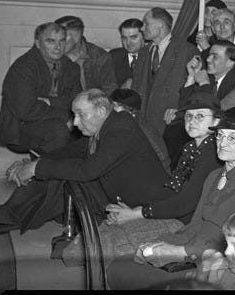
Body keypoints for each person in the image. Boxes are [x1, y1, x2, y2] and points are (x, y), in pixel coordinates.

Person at [105, 107, 235, 289]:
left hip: (214, 262)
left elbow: (231, 242)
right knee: (120, 265)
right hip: (192, 249)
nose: (222, 143)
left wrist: (180, 251)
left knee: (131, 271)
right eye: (219, 135)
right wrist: (164, 241)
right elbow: (195, 224)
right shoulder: (214, 176)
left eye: (232, 138)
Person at [0, 89, 174, 234]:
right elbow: (72, 150)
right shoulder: (106, 124)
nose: (75, 123)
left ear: (101, 111)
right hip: (115, 190)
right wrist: (32, 164)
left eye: (80, 115)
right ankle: (8, 217)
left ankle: (9, 218)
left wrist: (37, 167)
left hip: (144, 205)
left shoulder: (121, 127)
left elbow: (88, 171)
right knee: (57, 171)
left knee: (60, 175)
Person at [94, 92, 223, 265]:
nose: (192, 121)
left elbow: (186, 202)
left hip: (189, 225)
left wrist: (137, 214)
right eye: (188, 116)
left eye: (200, 116)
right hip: (176, 215)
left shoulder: (214, 154)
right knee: (105, 234)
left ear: (216, 122)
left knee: (112, 248)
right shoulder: (191, 147)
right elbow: (172, 190)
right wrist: (137, 210)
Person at [0, 22, 81, 154]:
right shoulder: (23, 67)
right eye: (51, 41)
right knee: (58, 131)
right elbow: (26, 111)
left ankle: (43, 167)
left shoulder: (71, 67)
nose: (58, 47)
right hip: (19, 127)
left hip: (54, 121)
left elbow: (78, 101)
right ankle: (43, 170)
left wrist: (51, 102)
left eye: (62, 41)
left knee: (88, 131)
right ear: (38, 43)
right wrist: (65, 116)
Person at [132, 7, 199, 154]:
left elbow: (195, 90)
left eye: (146, 23)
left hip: (169, 125)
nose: (142, 28)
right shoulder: (144, 53)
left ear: (160, 25)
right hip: (143, 126)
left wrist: (180, 111)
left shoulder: (186, 50)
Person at [55, 15, 117, 95]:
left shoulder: (100, 57)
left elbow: (110, 90)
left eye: (62, 39)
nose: (57, 44)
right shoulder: (50, 53)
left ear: (76, 37)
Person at [109, 18, 146, 89]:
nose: (128, 42)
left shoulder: (153, 56)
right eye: (124, 38)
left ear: (144, 36)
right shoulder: (113, 56)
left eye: (133, 37)